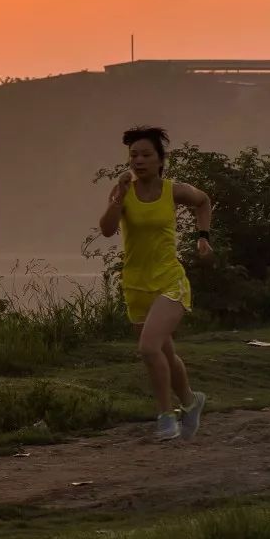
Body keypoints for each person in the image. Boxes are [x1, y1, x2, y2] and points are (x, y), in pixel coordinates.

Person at [98, 125, 214, 441]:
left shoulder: (172, 190)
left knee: (148, 348)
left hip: (169, 281)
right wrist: (118, 198)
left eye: (146, 154)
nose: (139, 160)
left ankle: (165, 415)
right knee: (163, 351)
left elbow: (203, 202)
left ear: (160, 160)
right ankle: (191, 402)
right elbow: (107, 230)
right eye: (134, 155)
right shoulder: (122, 191)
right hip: (136, 285)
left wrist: (202, 238)